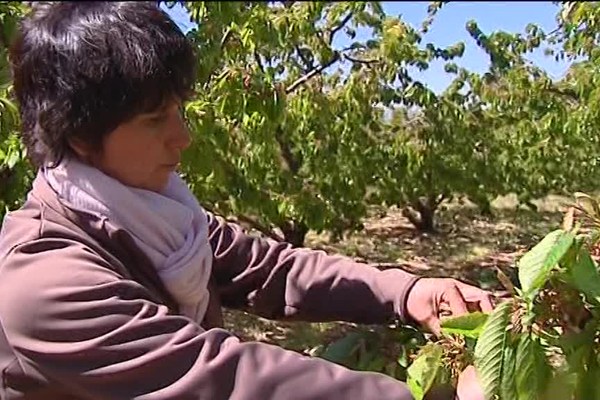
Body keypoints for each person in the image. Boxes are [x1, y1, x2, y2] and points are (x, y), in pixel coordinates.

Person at [0, 2, 491, 399]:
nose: (183, 137)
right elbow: (224, 380)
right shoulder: (46, 283)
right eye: (154, 120)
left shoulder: (160, 215)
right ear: (80, 136)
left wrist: (407, 293)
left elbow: (273, 269)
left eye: (179, 110)